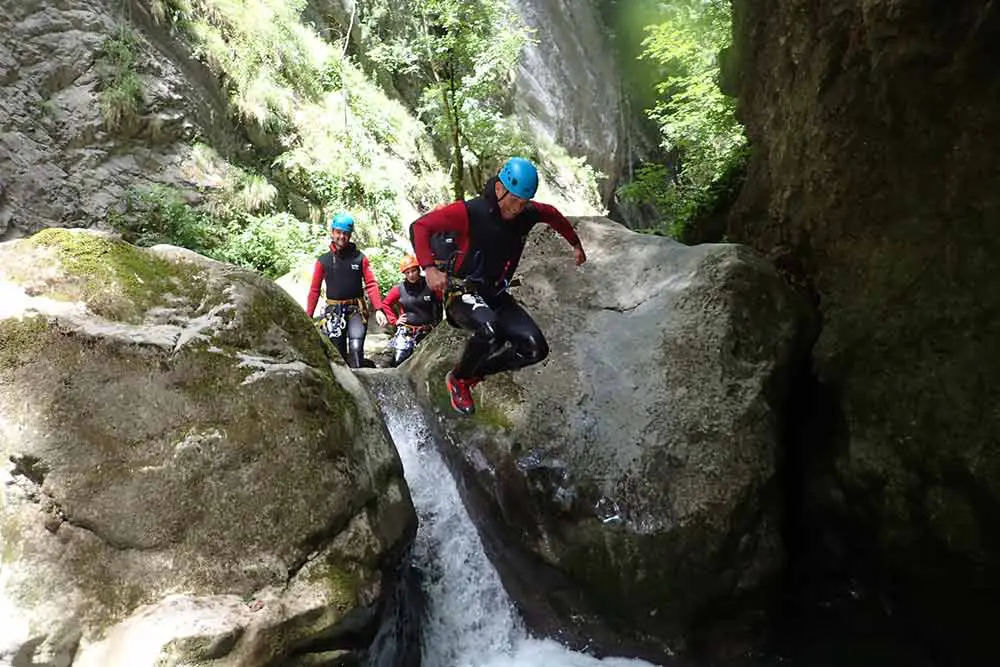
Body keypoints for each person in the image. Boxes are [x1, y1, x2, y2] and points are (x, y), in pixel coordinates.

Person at [409, 156, 586, 415]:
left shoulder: (526, 214)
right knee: (490, 331)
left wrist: (576, 244)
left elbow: (553, 215)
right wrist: (429, 268)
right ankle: (458, 380)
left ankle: (474, 373)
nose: (516, 208)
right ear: (500, 188)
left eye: (523, 202)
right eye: (513, 200)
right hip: (462, 291)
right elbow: (420, 226)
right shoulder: (471, 212)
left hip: (496, 294)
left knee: (536, 348)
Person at [306, 212, 388, 368]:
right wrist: (308, 316)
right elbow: (315, 290)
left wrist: (379, 309)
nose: (342, 237)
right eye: (338, 232)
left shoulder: (360, 258)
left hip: (356, 310)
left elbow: (371, 284)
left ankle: (361, 386)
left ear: (350, 235)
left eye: (345, 233)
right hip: (334, 312)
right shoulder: (323, 261)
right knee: (338, 354)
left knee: (356, 349)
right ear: (332, 232)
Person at [380, 254, 443, 367]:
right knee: (399, 361)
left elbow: (440, 302)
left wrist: (438, 325)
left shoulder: (429, 285)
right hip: (407, 331)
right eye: (407, 272)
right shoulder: (399, 289)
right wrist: (394, 321)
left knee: (424, 364)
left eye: (413, 271)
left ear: (418, 270)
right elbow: (385, 304)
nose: (411, 275)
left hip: (426, 331)